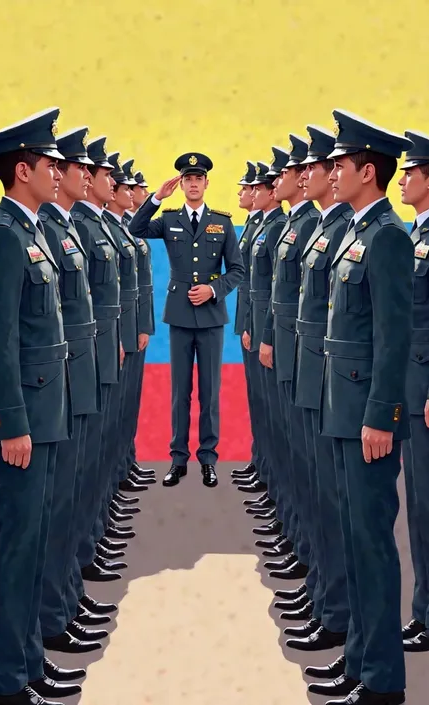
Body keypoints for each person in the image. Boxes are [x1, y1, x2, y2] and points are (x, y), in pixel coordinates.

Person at [314, 109, 413, 705]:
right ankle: (358, 660)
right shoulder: (358, 229)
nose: (331, 173)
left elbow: (393, 333)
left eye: (340, 165)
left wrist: (381, 412)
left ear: (367, 171)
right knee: (355, 536)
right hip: (344, 407)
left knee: (373, 544)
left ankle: (382, 682)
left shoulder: (388, 237)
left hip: (367, 416)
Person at [0, 107, 70, 705]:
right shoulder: (4, 239)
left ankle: (30, 662)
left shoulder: (31, 230)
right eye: (49, 164)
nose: (58, 173)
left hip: (47, 414)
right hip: (22, 421)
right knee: (15, 549)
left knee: (35, 542)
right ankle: (5, 684)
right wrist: (10, 421)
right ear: (22, 170)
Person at [129, 153, 245, 487]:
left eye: (198, 178)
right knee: (180, 393)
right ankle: (178, 459)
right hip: (180, 316)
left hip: (210, 318)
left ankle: (208, 460)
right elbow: (135, 228)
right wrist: (155, 199)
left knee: (210, 393)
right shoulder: (168, 219)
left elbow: (236, 269)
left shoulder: (221, 223)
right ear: (181, 184)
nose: (193, 184)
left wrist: (213, 290)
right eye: (187, 179)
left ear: (207, 183)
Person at [38, 126, 109, 661]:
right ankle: (51, 615)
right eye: (71, 167)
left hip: (74, 369)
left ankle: (62, 603)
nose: (81, 175)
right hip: (46, 383)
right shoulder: (34, 231)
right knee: (44, 507)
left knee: (67, 493)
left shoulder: (63, 228)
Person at [281, 125, 352, 654]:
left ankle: (337, 610)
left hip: (341, 380)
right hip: (314, 366)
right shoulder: (321, 225)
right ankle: (325, 594)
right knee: (319, 488)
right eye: (302, 168)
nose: (307, 175)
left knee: (341, 503)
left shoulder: (357, 229)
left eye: (318, 167)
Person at [71, 136, 129, 587]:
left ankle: (86, 550)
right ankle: (70, 579)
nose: (116, 183)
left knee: (92, 457)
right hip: (72, 363)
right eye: (108, 176)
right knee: (74, 470)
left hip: (98, 348)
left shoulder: (97, 226)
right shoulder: (82, 227)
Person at [268, 134, 319, 581]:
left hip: (322, 367)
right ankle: (305, 554)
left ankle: (321, 581)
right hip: (294, 351)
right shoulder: (301, 226)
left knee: (319, 476)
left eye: (287, 172)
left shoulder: (311, 227)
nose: (281, 179)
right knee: (297, 458)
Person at [242, 151, 287, 523]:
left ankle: (279, 499)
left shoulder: (276, 227)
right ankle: (269, 478)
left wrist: (264, 333)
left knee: (281, 422)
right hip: (258, 328)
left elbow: (276, 291)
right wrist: (248, 325)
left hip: (274, 334)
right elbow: (249, 286)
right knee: (266, 411)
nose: (250, 192)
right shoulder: (262, 226)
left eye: (257, 186)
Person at [398, 130, 429, 653]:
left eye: (411, 172)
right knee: (418, 503)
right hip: (411, 377)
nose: (403, 179)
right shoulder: (413, 231)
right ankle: (423, 609)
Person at [121, 158, 157, 486]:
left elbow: (142, 285)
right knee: (114, 410)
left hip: (131, 327)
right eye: (140, 188)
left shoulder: (125, 225)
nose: (144, 193)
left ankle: (123, 465)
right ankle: (118, 473)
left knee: (126, 404)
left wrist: (144, 324)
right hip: (116, 333)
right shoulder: (115, 227)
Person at [230, 161, 264, 484]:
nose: (241, 193)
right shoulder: (254, 226)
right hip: (251, 325)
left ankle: (267, 472)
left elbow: (266, 290)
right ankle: (262, 465)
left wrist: (256, 327)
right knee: (260, 403)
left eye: (247, 187)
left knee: (270, 408)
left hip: (264, 329)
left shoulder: (270, 226)